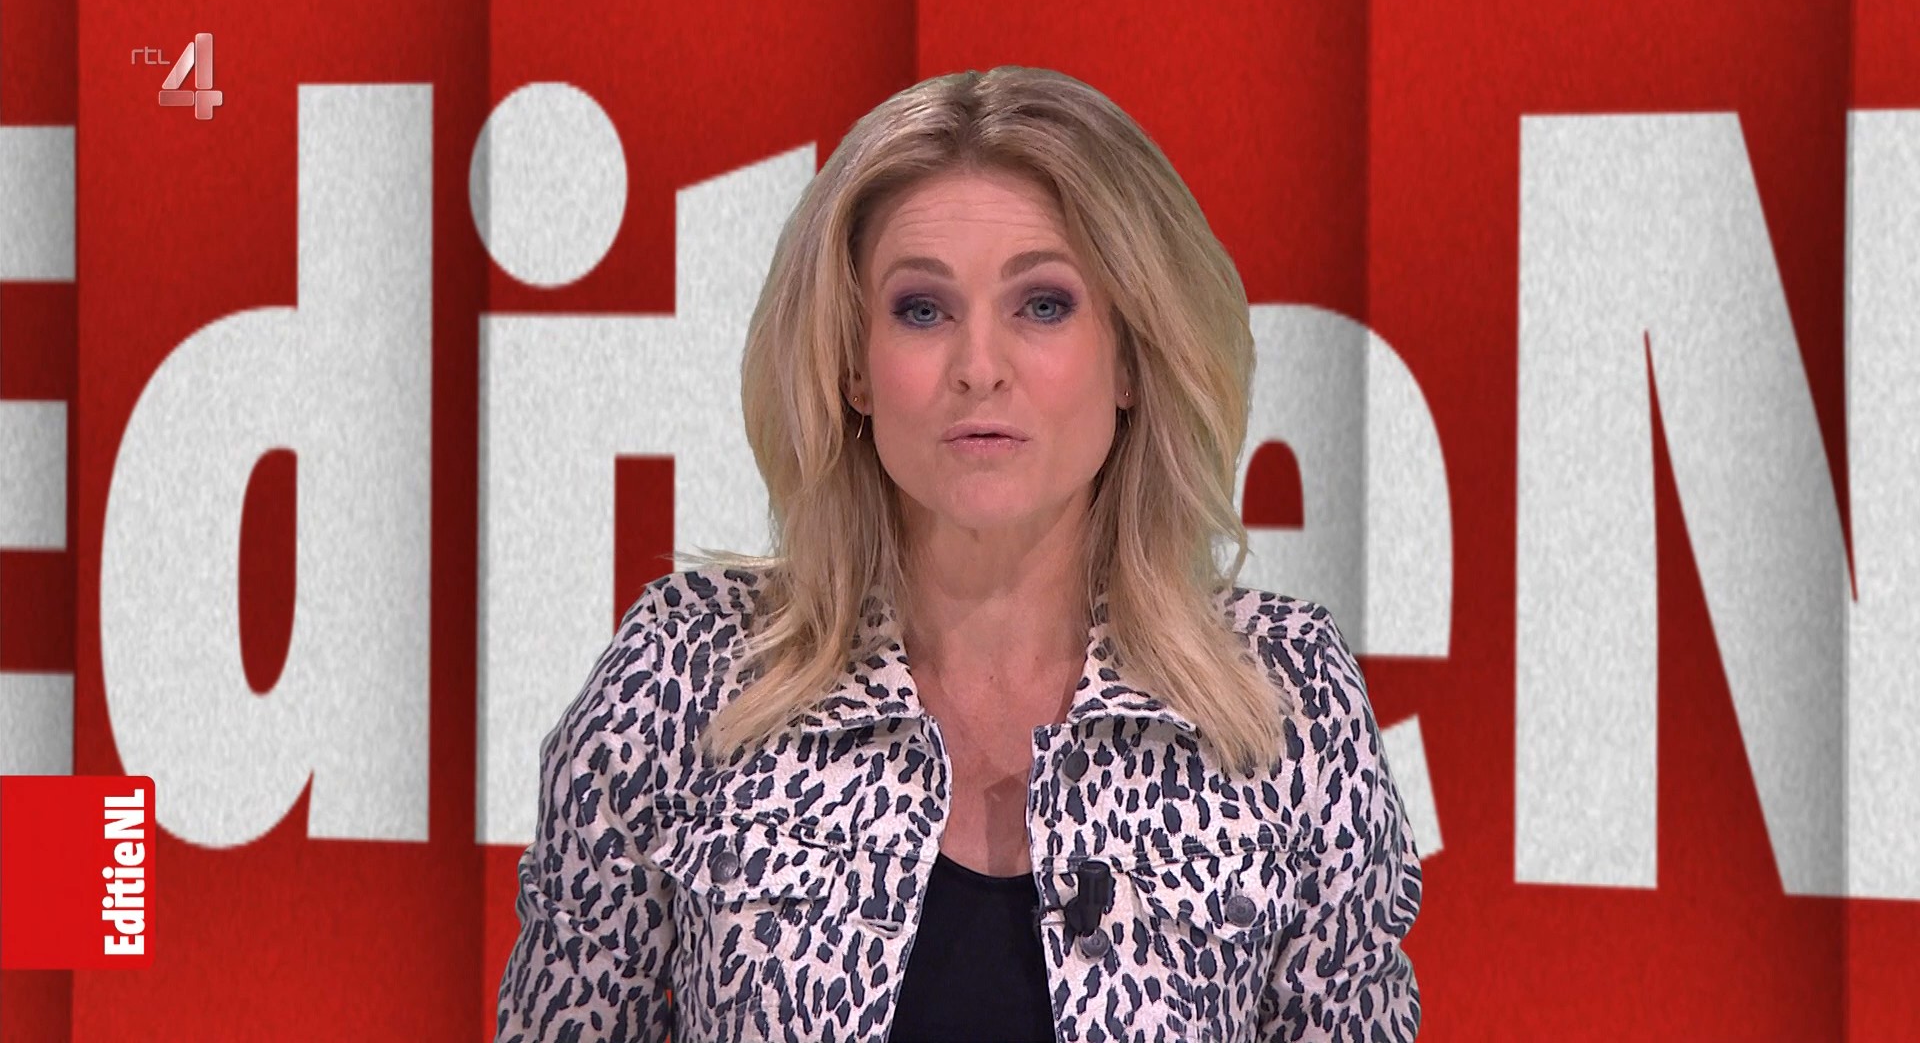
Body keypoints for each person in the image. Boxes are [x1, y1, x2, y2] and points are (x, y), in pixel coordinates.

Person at [494, 65, 1422, 1043]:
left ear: (1131, 359)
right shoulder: (687, 674)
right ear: (852, 368)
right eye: (922, 310)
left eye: (1044, 305)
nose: (980, 367)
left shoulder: (1284, 701)